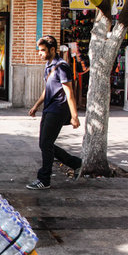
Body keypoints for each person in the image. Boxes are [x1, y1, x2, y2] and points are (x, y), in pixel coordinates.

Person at [27, 35, 81, 190]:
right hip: (49, 108)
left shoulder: (62, 66)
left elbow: (69, 92)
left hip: (58, 109)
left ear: (52, 49)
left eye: (43, 50)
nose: (40, 53)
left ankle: (44, 179)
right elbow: (48, 89)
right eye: (39, 51)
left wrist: (74, 116)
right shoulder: (49, 66)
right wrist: (36, 105)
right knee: (45, 144)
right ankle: (76, 163)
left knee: (46, 143)